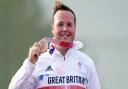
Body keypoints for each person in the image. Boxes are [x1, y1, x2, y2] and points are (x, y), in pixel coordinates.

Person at [8, 2, 101, 89]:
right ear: (52, 28)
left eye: (69, 24)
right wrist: (30, 63)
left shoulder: (87, 63)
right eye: (60, 24)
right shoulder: (38, 62)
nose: (65, 29)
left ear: (75, 28)